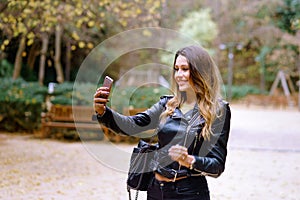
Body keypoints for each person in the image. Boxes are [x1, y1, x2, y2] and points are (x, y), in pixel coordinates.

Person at [93, 45, 231, 200]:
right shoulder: (167, 105)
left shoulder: (218, 110)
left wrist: (189, 160)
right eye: (176, 69)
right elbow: (131, 125)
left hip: (189, 193)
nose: (179, 74)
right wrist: (102, 111)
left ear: (200, 72)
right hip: (156, 190)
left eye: (185, 69)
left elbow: (217, 165)